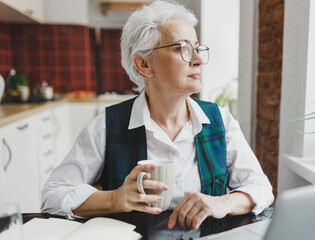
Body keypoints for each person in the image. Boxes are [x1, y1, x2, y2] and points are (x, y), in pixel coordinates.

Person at [41, 0, 274, 230]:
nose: (198, 59)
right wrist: (114, 199)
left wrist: (224, 202)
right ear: (144, 64)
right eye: (182, 48)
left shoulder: (220, 120)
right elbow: (52, 195)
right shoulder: (107, 125)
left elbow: (260, 187)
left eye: (197, 47)